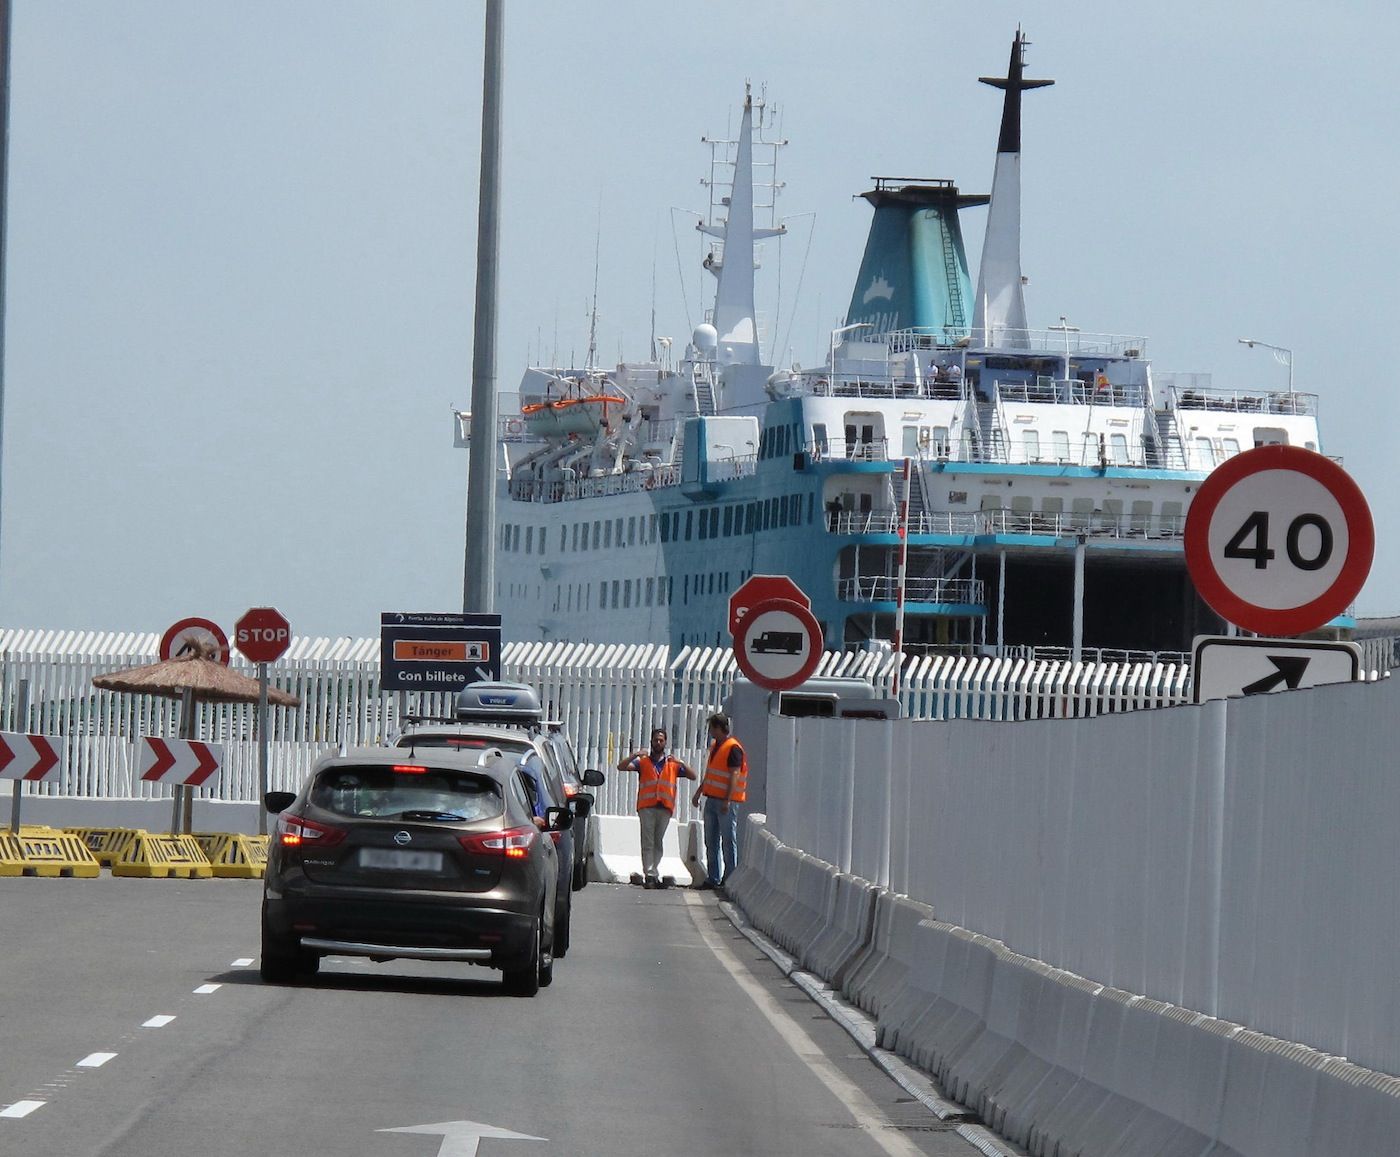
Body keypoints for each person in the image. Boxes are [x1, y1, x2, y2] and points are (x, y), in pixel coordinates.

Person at [617, 727, 696, 888]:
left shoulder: (672, 764)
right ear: (651, 741)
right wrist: (634, 755)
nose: (658, 743)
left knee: (658, 841)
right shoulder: (643, 761)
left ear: (665, 742)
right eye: (656, 740)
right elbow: (621, 767)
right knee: (648, 840)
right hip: (647, 807)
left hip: (664, 807)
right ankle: (650, 874)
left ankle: (654, 870)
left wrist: (681, 762)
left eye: (661, 740)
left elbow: (693, 776)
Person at [692, 713, 747, 891]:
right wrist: (699, 792)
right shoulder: (716, 747)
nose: (710, 732)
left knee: (728, 840)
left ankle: (729, 878)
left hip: (725, 802)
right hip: (711, 799)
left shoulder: (733, 748)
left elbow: (735, 775)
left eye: (712, 728)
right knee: (711, 840)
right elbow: (711, 774)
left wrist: (727, 800)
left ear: (719, 728)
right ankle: (713, 877)